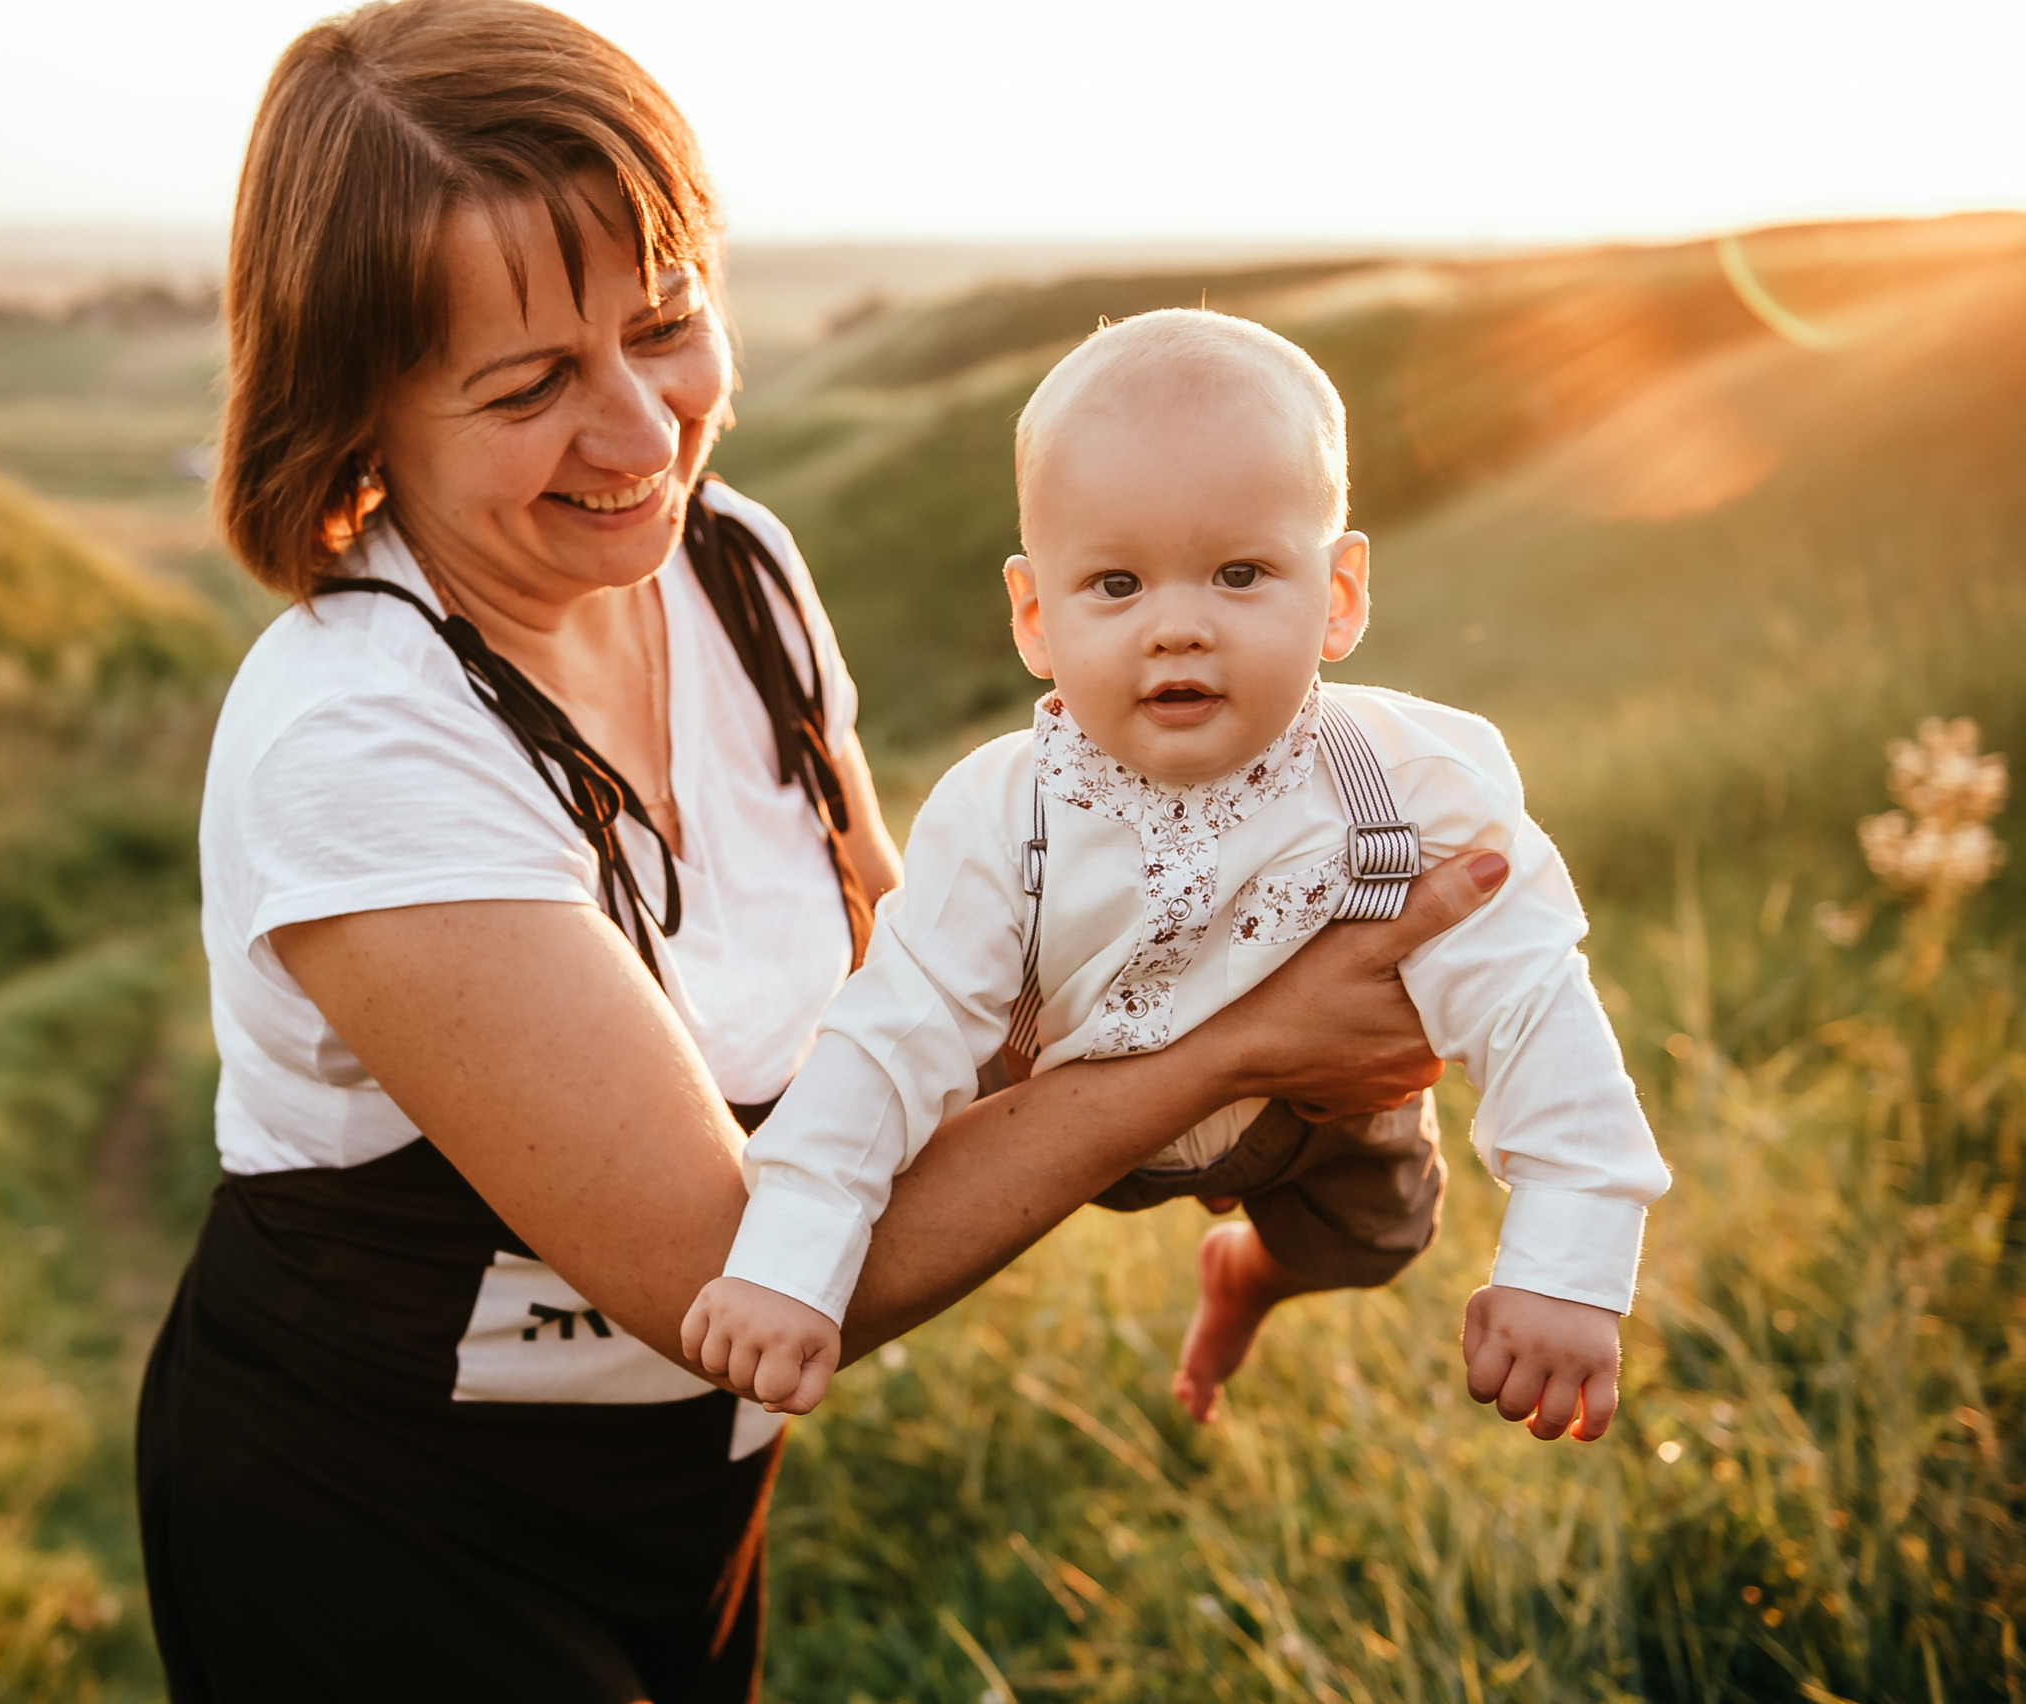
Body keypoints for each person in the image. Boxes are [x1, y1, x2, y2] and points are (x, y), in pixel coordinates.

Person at [136, 6, 1503, 1698]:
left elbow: (924, 982)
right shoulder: (360, 741)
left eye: (665, 325)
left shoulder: (735, 569)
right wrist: (1228, 1051)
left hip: (690, 1494)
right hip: (373, 1524)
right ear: (357, 408)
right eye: (531, 384)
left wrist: (1279, 1052)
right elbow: (721, 1270)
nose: (644, 434)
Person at [686, 310, 1674, 1428]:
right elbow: (889, 1037)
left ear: (1340, 595)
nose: (1177, 628)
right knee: (929, 1152)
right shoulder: (1003, 814)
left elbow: (1536, 1007)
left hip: (1324, 1115)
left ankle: (1245, 1275)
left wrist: (1566, 1266)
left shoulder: (1415, 787)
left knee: (1376, 1240)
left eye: (1239, 574)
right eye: (1116, 585)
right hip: (1077, 1109)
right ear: (1034, 618)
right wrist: (784, 1260)